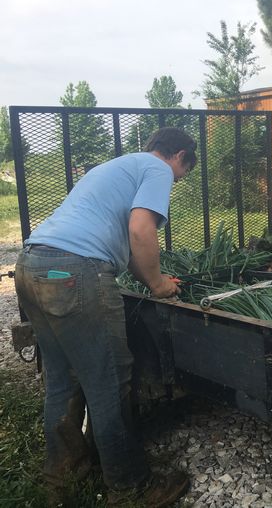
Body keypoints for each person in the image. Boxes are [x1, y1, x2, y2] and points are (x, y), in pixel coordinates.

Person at [14, 127, 197, 506]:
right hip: (75, 273)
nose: (177, 181)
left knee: (62, 380)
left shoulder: (115, 167)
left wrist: (155, 281)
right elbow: (141, 231)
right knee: (109, 380)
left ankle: (62, 475)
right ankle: (131, 487)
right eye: (184, 173)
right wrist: (158, 284)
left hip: (31, 266)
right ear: (180, 156)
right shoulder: (158, 169)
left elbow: (127, 247)